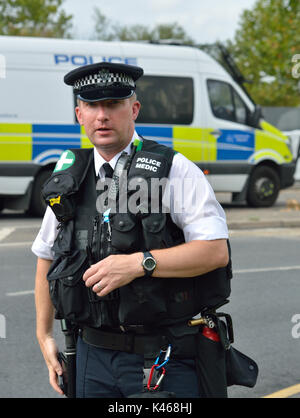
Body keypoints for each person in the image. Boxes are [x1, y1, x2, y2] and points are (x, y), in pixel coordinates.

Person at [32, 61, 231, 398]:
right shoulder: (69, 177)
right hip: (91, 355)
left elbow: (215, 251)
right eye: (92, 106)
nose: (102, 116)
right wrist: (44, 335)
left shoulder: (174, 169)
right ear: (79, 114)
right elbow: (47, 257)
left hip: (162, 357)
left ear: (134, 109)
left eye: (113, 104)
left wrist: (140, 263)